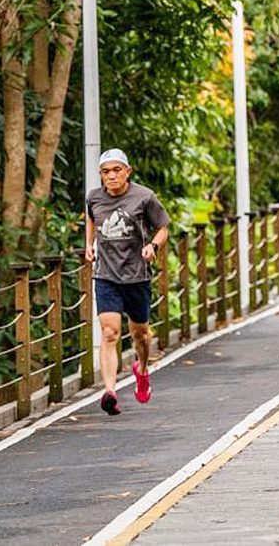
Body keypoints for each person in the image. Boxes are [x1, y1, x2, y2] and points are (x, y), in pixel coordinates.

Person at [84, 148, 172, 415]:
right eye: (106, 172)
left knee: (140, 335)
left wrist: (153, 247)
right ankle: (110, 391)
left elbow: (164, 227)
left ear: (127, 172)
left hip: (137, 275)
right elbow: (91, 219)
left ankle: (142, 370)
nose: (111, 176)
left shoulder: (144, 197)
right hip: (106, 274)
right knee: (110, 332)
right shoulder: (94, 198)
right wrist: (89, 245)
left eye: (116, 170)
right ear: (100, 175)